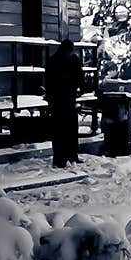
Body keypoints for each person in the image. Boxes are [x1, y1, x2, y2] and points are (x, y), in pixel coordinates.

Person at [44, 39, 84, 167]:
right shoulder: (73, 60)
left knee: (59, 130)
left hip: (57, 100)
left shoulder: (52, 60)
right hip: (68, 98)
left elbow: (49, 81)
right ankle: (72, 156)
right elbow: (80, 79)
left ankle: (60, 158)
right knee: (70, 129)